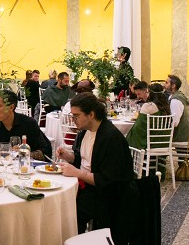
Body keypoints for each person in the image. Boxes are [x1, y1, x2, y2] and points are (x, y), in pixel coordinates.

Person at [57, 93, 134, 235]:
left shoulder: (111, 138)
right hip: (87, 187)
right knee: (58, 202)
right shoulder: (84, 133)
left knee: (68, 211)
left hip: (107, 195)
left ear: (91, 114)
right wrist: (69, 157)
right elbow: (84, 160)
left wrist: (77, 173)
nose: (73, 120)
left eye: (76, 116)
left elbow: (108, 180)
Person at [0, 90, 52, 159]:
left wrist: (26, 154)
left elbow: (46, 151)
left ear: (11, 107)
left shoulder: (28, 123)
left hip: (25, 164)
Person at [164, 74, 189, 143]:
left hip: (180, 135)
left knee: (154, 136)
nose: (164, 85)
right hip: (183, 132)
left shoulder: (175, 100)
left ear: (173, 86)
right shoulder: (177, 95)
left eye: (166, 83)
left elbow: (175, 122)